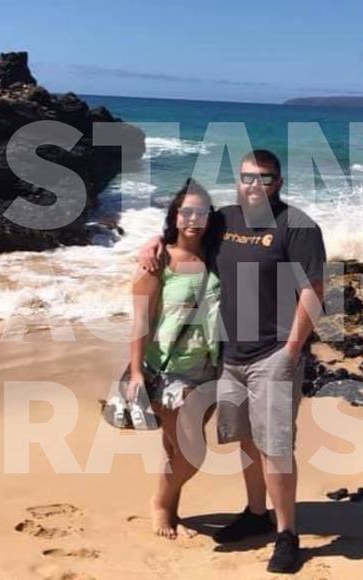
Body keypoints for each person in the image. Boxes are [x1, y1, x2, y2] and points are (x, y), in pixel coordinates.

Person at [140, 150, 326, 573]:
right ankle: (256, 513)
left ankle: (287, 534)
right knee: (245, 440)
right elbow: (184, 235)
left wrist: (292, 350)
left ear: (278, 183)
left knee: (275, 447)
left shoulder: (297, 226)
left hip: (273, 354)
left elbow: (313, 291)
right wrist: (153, 242)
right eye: (246, 177)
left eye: (265, 178)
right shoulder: (224, 220)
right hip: (228, 356)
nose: (254, 185)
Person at [128, 178, 221, 540]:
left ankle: (171, 510)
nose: (194, 219)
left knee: (176, 446)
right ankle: (160, 504)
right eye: (186, 212)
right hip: (169, 371)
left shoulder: (216, 255)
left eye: (202, 212)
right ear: (175, 216)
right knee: (192, 450)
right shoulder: (158, 261)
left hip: (211, 366)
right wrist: (136, 372)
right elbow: (141, 319)